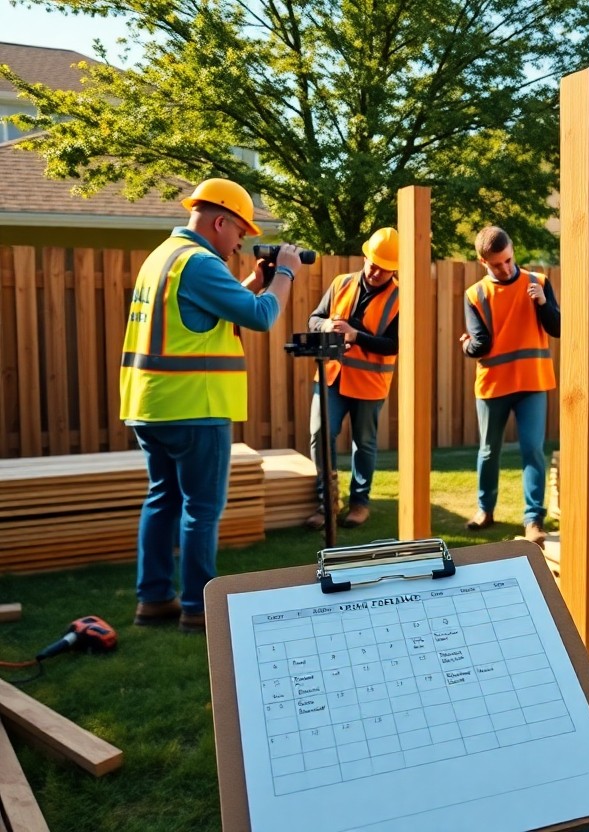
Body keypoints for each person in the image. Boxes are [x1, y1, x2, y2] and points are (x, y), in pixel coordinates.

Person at [120, 178, 299, 633]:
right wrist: (286, 274)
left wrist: (250, 282)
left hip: (150, 403)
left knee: (162, 500)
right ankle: (199, 610)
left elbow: (198, 317)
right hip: (194, 407)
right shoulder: (200, 263)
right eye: (240, 231)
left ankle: (154, 599)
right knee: (202, 508)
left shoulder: (163, 258)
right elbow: (260, 316)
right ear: (220, 221)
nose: (242, 241)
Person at [460, 226, 560, 544]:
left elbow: (556, 327)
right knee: (489, 451)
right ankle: (484, 510)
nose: (504, 268)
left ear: (512, 249)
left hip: (533, 381)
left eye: (507, 260)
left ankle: (533, 520)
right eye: (495, 264)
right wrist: (467, 346)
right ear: (482, 261)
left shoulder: (539, 282)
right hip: (493, 384)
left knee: (532, 449)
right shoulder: (474, 295)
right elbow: (482, 345)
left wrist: (544, 302)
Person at [303, 228, 400, 530]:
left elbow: (395, 344)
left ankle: (360, 503)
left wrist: (357, 336)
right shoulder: (340, 283)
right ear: (365, 255)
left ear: (395, 268)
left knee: (364, 445)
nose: (375, 270)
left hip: (369, 385)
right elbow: (313, 319)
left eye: (384, 267)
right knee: (320, 436)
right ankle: (327, 503)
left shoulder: (400, 299)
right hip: (331, 377)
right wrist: (327, 324)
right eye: (372, 262)